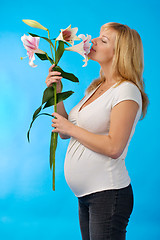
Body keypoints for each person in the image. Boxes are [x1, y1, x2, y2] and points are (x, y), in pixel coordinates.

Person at [45, 22, 149, 240]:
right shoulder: (95, 88)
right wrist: (57, 94)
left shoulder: (126, 90)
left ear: (119, 53)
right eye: (98, 37)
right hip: (87, 195)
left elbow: (114, 147)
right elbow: (65, 132)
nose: (92, 41)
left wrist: (70, 128)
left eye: (103, 40)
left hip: (108, 194)